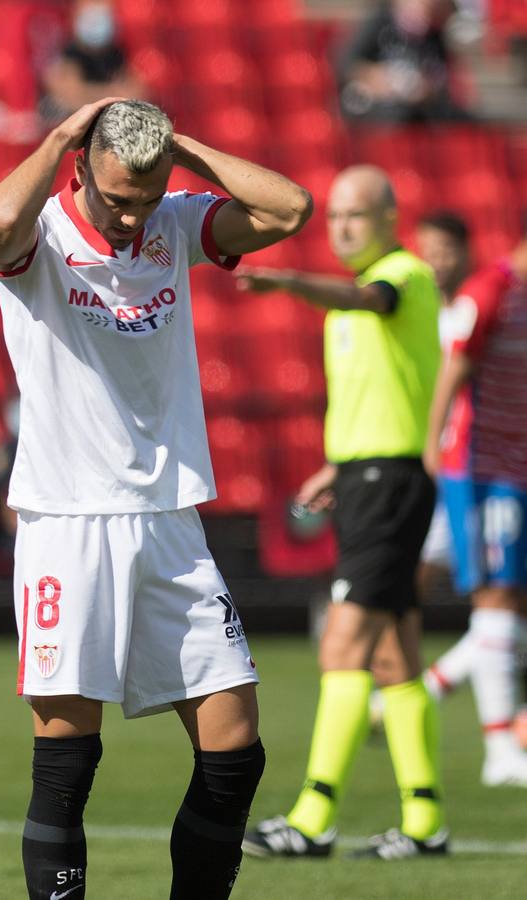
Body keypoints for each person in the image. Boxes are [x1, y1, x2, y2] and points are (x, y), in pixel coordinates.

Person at [0, 97, 312, 899]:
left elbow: (289, 209)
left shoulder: (172, 220)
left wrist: (186, 152)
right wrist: (63, 131)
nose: (131, 217)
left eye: (145, 197)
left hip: (168, 519)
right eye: (117, 197)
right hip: (67, 521)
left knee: (235, 749)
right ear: (81, 167)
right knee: (66, 759)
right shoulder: (42, 235)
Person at [237, 165, 447, 861]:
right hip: (368, 478)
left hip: (389, 483)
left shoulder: (403, 276)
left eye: (356, 214)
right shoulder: (352, 307)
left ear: (388, 217)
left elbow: (371, 299)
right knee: (394, 654)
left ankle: (313, 815)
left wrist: (290, 281)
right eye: (334, 217)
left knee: (342, 645)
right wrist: (339, 465)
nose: (343, 227)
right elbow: (385, 393)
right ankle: (424, 822)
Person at [423, 223, 527, 787]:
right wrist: (434, 443)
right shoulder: (490, 291)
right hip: (484, 468)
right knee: (497, 598)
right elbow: (455, 366)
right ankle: (500, 753)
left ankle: (428, 690)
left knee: (512, 605)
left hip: (518, 469)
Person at [369, 210, 472, 698]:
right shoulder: (417, 314)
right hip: (425, 467)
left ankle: (403, 691)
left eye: (445, 254)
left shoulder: (473, 312)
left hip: (468, 466)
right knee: (408, 587)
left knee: (494, 599)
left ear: (464, 254)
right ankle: (396, 686)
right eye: (427, 254)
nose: (436, 265)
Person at [338, 0, 471, 122]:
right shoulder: (379, 21)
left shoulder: (434, 34)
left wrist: (423, 89)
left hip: (419, 109)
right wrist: (387, 81)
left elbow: (441, 80)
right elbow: (347, 64)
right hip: (377, 107)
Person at [40, 0, 148, 125]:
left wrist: (88, 94)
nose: (95, 21)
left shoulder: (119, 52)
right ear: (75, 16)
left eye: (102, 13)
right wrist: (113, 94)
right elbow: (69, 96)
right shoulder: (66, 52)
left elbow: (137, 93)